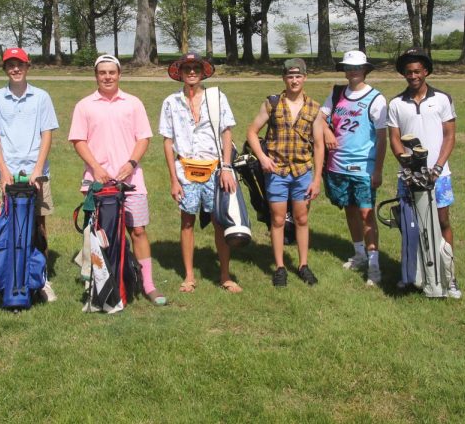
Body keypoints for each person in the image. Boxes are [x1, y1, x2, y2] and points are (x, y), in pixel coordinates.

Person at [69, 54, 167, 306]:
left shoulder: (133, 103)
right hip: (97, 183)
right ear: (96, 76)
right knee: (101, 234)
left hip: (131, 181)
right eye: (102, 73)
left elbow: (143, 137)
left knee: (138, 231)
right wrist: (96, 168)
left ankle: (148, 285)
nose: (107, 77)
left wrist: (131, 163)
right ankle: (103, 283)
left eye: (112, 72)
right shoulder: (84, 105)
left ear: (119, 74)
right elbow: (78, 140)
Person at [0, 47, 59, 302]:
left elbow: (47, 133)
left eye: (20, 64)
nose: (15, 69)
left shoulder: (41, 97)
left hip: (37, 171)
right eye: (10, 65)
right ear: (5, 69)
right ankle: (14, 275)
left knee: (38, 225)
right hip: (9, 174)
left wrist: (38, 170)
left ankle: (41, 279)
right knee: (11, 227)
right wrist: (3, 172)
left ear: (28, 66)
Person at [160, 51, 242, 294]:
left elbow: (227, 133)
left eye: (196, 67)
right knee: (187, 221)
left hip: (215, 170)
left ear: (203, 71)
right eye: (187, 68)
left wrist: (226, 168)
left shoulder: (217, 98)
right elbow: (167, 141)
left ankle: (225, 276)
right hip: (185, 170)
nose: (192, 72)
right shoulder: (170, 102)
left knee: (219, 221)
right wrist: (173, 179)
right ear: (181, 73)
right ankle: (188, 276)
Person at [386, 47, 461, 298]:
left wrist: (438, 167)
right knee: (411, 225)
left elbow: (450, 136)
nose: (413, 75)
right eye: (408, 72)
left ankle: (448, 277)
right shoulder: (396, 103)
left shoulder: (442, 99)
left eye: (417, 71)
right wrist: (407, 165)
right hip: (409, 176)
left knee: (441, 222)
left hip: (439, 175)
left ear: (426, 71)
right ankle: (412, 274)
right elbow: (394, 139)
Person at [246, 58, 324, 287]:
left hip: (302, 172)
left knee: (301, 218)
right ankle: (280, 267)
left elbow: (319, 145)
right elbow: (252, 132)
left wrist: (317, 179)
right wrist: (262, 158)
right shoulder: (272, 103)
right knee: (277, 220)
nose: (294, 81)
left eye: (298, 76)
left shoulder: (314, 108)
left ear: (305, 78)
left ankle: (303, 264)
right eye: (290, 76)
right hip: (277, 172)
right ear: (284, 78)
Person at [320, 50, 387, 286]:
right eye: (348, 67)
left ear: (365, 70)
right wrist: (327, 130)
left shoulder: (376, 99)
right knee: (349, 210)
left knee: (366, 214)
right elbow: (320, 119)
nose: (352, 71)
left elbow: (381, 138)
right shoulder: (337, 93)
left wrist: (377, 171)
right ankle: (359, 254)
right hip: (337, 166)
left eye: (357, 67)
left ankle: (374, 265)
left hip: (363, 169)